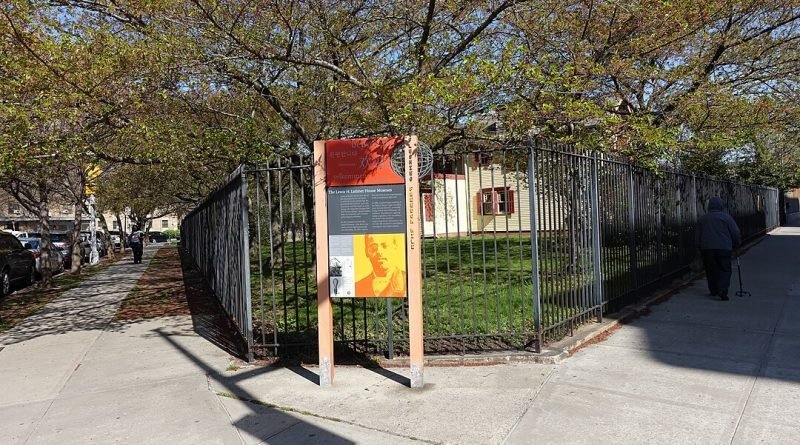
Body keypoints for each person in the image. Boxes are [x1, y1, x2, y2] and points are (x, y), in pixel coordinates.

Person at [697, 197, 741, 301]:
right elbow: (735, 232)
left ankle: (713, 289)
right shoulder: (727, 218)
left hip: (707, 248)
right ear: (721, 206)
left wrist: (698, 246)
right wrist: (737, 243)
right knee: (725, 269)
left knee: (710, 269)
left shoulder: (703, 219)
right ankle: (722, 288)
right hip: (724, 247)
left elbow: (698, 235)